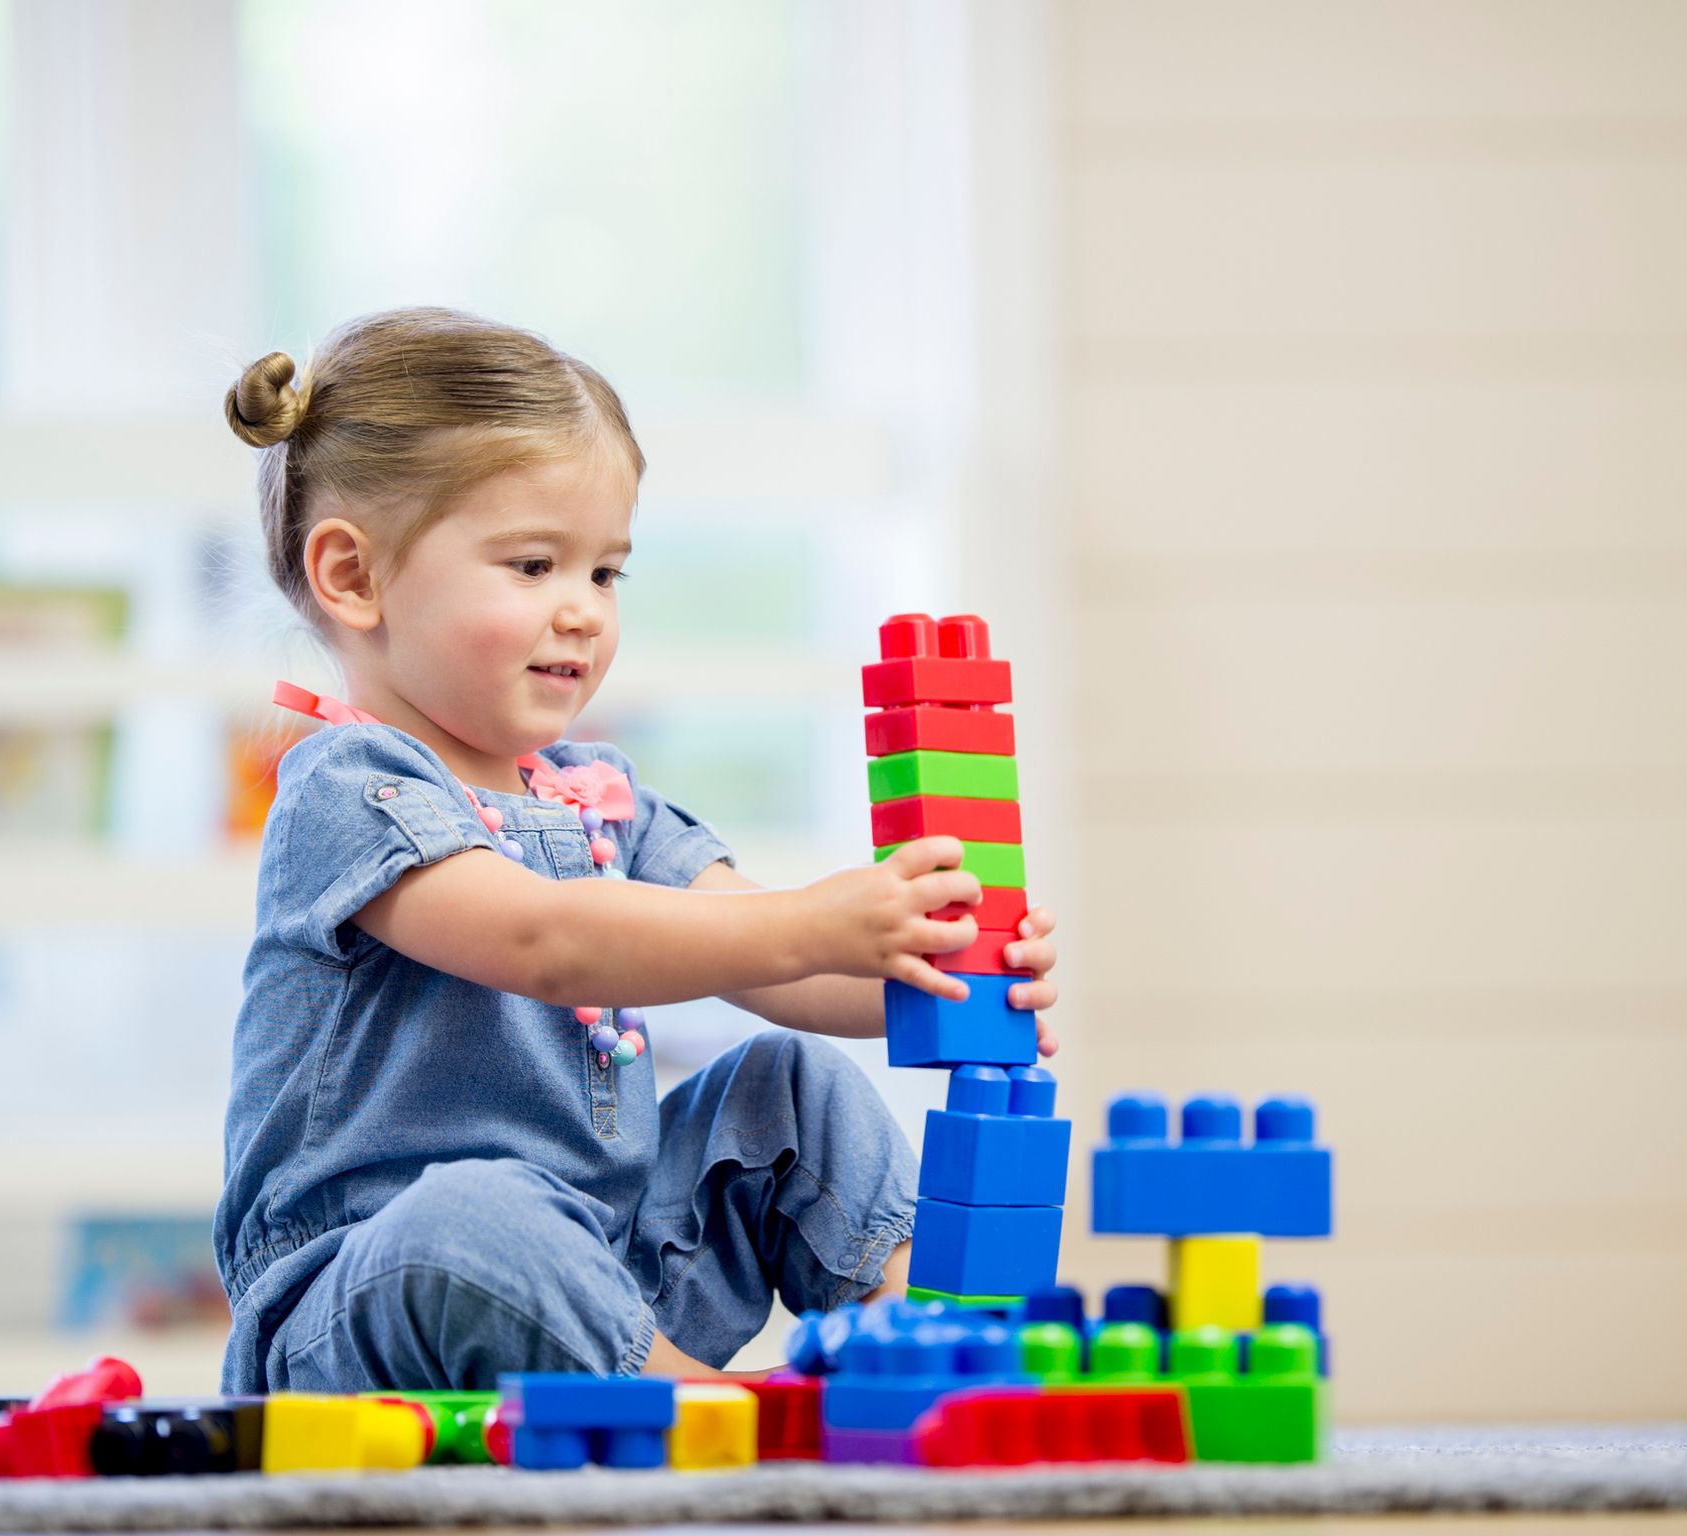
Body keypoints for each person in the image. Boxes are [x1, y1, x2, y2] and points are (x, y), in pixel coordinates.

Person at [211, 307, 1059, 1393]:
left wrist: (930, 962)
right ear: (352, 577)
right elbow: (545, 940)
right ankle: (715, 1420)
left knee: (790, 1086)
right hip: (371, 1299)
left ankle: (936, 1355)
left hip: (601, 1262)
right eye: (532, 565)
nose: (583, 613)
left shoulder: (598, 801)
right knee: (480, 1211)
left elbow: (785, 966)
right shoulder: (351, 789)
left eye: (606, 574)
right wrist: (816, 918)